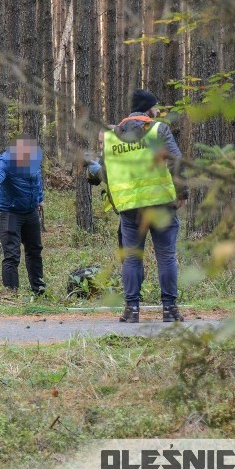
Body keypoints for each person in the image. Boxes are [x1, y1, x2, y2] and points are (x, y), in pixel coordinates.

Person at [86, 89, 188, 323]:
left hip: (130, 208)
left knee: (132, 258)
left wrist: (114, 199)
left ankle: (131, 311)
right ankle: (170, 310)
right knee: (166, 256)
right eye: (156, 107)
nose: (158, 111)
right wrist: (182, 193)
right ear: (149, 109)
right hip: (161, 204)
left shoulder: (112, 137)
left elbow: (103, 173)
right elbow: (176, 161)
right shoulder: (158, 129)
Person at [0, 136, 46, 296]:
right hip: (8, 212)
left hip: (30, 211)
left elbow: (37, 181)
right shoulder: (6, 161)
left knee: (35, 251)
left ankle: (39, 291)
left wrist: (39, 199)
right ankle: (12, 294)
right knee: (12, 254)